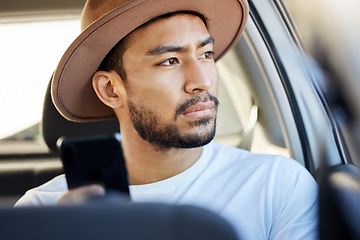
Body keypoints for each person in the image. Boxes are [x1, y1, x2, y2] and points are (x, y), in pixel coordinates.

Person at [15, 0, 318, 239]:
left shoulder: (278, 185)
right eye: (169, 61)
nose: (201, 81)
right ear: (110, 89)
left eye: (206, 54)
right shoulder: (43, 212)